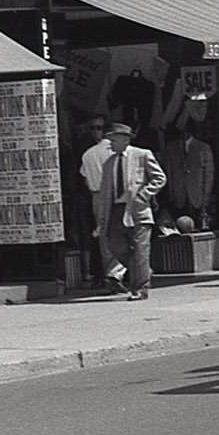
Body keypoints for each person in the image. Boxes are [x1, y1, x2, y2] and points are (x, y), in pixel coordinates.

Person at [93, 122, 167, 301]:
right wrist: (101, 221)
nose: (110, 144)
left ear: (125, 140)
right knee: (115, 245)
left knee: (141, 249)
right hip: (116, 210)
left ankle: (140, 288)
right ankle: (141, 270)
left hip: (137, 209)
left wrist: (144, 194)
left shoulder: (142, 155)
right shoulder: (109, 163)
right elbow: (104, 193)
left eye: (114, 140)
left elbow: (160, 177)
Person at [76, 114, 129, 292]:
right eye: (93, 128)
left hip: (97, 196)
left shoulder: (88, 154)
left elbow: (84, 177)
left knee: (105, 236)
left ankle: (112, 272)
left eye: (98, 128)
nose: (95, 132)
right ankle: (117, 272)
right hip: (117, 194)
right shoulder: (120, 151)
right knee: (124, 232)